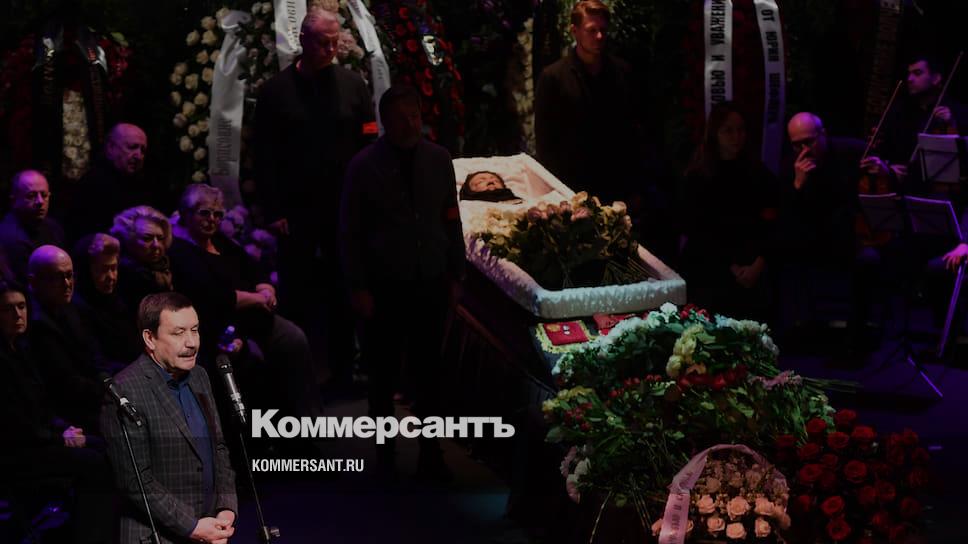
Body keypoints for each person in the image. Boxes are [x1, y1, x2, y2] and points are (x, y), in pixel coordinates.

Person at [340, 85, 466, 478]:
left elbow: (451, 217)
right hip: (384, 286)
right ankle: (385, 454)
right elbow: (350, 233)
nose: (410, 124)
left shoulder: (438, 158)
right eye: (400, 118)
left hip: (429, 279)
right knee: (382, 375)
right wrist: (358, 286)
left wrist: (457, 272)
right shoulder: (363, 166)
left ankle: (431, 453)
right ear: (385, 121)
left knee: (429, 373)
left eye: (414, 116)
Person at [255, 6, 376, 386]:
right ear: (304, 41)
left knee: (345, 286)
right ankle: (299, 372)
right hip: (296, 210)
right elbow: (263, 156)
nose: (331, 49)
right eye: (323, 42)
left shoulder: (353, 85)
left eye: (335, 42)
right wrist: (273, 209)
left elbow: (368, 143)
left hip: (343, 205)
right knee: (298, 291)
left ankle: (345, 369)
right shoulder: (275, 92)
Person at [168, 184, 321, 421]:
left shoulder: (219, 240)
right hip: (224, 324)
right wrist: (258, 299)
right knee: (262, 360)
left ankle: (307, 417)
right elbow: (214, 296)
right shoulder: (181, 249)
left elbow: (252, 266)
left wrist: (265, 287)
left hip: (255, 314)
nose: (212, 219)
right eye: (204, 213)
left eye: (218, 214)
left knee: (294, 339)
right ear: (187, 213)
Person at [100, 292, 237, 544]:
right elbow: (135, 481)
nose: (192, 342)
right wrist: (192, 526)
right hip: (157, 536)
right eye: (178, 333)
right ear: (150, 338)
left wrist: (226, 507)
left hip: (210, 528)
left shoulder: (200, 376)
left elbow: (218, 447)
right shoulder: (124, 391)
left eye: (195, 330)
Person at [0, 280, 115, 544]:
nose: (18, 314)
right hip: (17, 451)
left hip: (40, 439)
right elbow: (13, 423)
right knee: (95, 463)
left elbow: (43, 405)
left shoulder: (22, 350)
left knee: (107, 447)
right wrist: (60, 438)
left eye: (21, 306)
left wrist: (64, 428)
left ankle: (91, 531)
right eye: (8, 309)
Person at [534, 0, 644, 205]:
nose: (599, 36)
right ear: (575, 31)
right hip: (572, 186)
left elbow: (634, 130)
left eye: (603, 30)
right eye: (592, 30)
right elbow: (545, 140)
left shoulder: (622, 72)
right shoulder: (554, 77)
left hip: (617, 182)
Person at [680, 103, 777, 320]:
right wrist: (731, 267)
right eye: (728, 131)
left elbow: (771, 221)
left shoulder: (757, 172)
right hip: (711, 268)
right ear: (715, 134)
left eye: (741, 130)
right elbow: (697, 229)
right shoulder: (699, 176)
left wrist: (758, 264)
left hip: (751, 265)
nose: (737, 137)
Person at [27, 245, 116, 431]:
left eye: (69, 275)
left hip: (93, 397)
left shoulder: (72, 307)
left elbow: (95, 356)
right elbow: (65, 383)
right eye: (57, 277)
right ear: (34, 282)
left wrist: (109, 383)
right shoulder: (34, 323)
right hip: (70, 412)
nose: (67, 283)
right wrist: (110, 392)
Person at [861, 54, 968, 186]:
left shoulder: (956, 111)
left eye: (917, 73)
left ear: (936, 78)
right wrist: (888, 167)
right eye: (909, 74)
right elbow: (884, 153)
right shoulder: (898, 111)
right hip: (899, 185)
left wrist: (953, 124)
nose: (909, 79)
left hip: (940, 189)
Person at [65, 123, 167, 243]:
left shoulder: (144, 185)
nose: (139, 156)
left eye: (143, 150)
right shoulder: (92, 185)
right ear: (110, 148)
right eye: (132, 147)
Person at [72, 233, 142, 364]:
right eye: (103, 269)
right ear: (86, 271)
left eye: (114, 268)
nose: (111, 276)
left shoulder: (119, 299)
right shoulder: (78, 309)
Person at [0, 170, 65, 284]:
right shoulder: (9, 237)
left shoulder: (53, 227)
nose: (40, 201)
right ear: (14, 200)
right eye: (31, 196)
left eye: (44, 195)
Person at [111, 205, 175, 316]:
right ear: (127, 239)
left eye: (160, 238)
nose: (156, 245)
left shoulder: (167, 268)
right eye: (147, 238)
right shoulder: (121, 275)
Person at [459, 171, 523, 203]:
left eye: (496, 181)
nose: (490, 181)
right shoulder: (466, 206)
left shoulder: (517, 202)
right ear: (469, 191)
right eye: (480, 182)